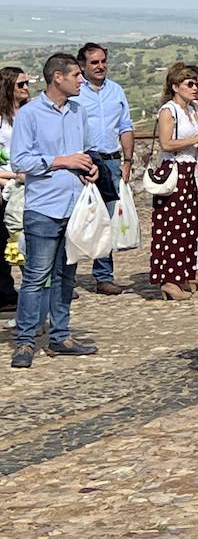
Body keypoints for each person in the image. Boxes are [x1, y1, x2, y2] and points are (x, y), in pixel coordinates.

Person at [9, 53, 100, 368]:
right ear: (57, 77)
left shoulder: (79, 111)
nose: (82, 80)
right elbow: (20, 161)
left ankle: (61, 336)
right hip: (44, 207)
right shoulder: (30, 114)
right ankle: (25, 341)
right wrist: (62, 161)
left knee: (66, 276)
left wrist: (90, 168)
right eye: (76, 74)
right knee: (36, 277)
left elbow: (86, 152)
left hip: (74, 207)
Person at [149, 64, 198, 301]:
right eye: (190, 84)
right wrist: (197, 138)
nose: (195, 88)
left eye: (197, 84)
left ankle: (181, 273)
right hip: (174, 169)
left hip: (190, 170)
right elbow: (166, 144)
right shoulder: (168, 111)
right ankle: (169, 278)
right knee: (172, 225)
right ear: (175, 86)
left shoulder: (192, 110)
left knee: (188, 225)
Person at [74, 42, 134, 296]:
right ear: (82, 66)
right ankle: (66, 277)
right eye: (94, 62)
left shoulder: (116, 90)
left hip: (110, 161)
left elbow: (125, 127)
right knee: (75, 217)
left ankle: (103, 276)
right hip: (83, 160)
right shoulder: (76, 92)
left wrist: (128, 161)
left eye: (102, 61)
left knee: (108, 219)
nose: (100, 66)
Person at [0, 66, 31, 311]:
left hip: (27, 184)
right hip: (6, 184)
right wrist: (13, 176)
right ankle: (5, 292)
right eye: (20, 84)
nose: (25, 88)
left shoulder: (30, 113)